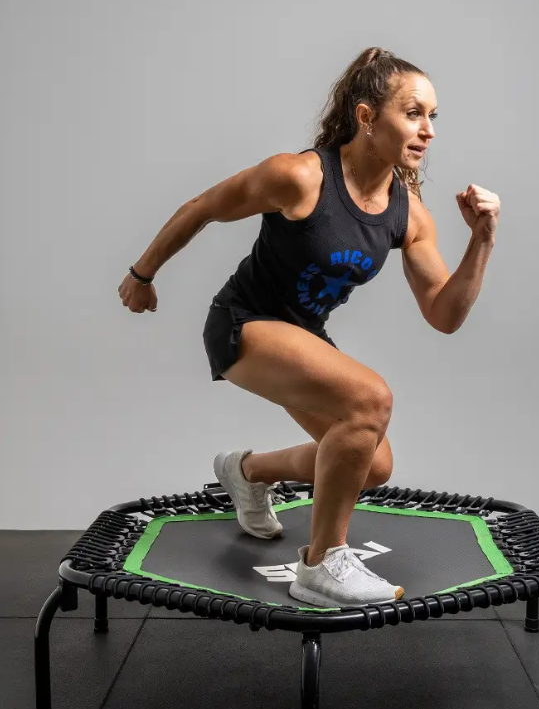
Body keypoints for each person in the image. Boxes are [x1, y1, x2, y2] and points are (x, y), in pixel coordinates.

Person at [118, 47, 500, 609]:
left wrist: (482, 240)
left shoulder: (408, 211)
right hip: (242, 324)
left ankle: (247, 471)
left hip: (302, 334)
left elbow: (445, 314)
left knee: (373, 465)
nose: (428, 131)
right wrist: (141, 274)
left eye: (433, 117)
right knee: (370, 399)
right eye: (414, 113)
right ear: (368, 118)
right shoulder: (299, 176)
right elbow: (203, 206)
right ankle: (320, 565)